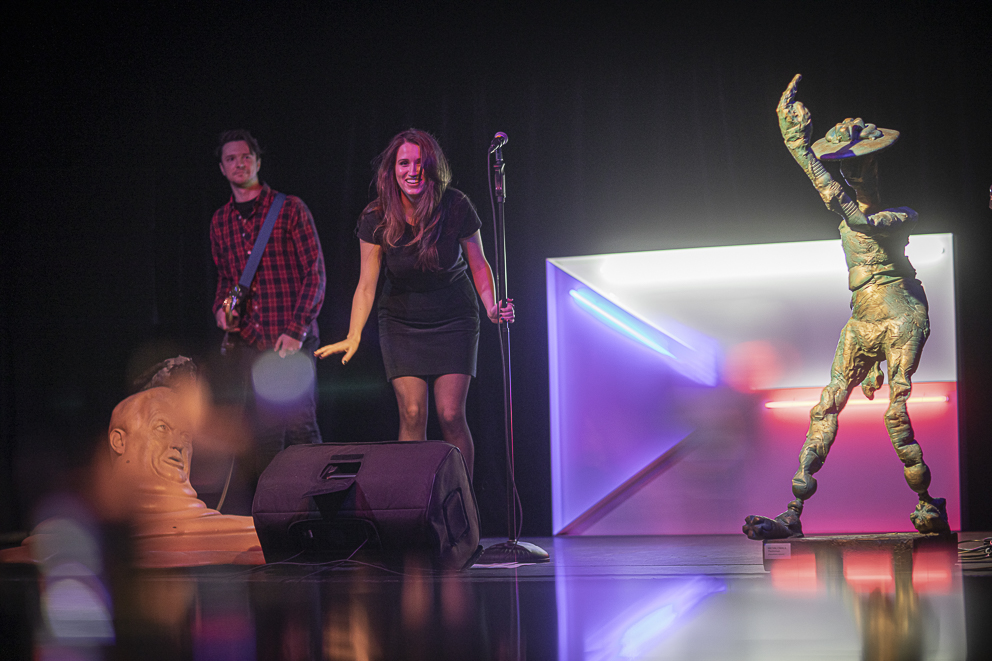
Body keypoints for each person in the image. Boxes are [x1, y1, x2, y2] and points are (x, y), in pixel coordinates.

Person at [742, 75, 949, 540]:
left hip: (901, 314)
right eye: (849, 168)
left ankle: (926, 503)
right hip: (863, 319)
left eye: (860, 166)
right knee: (826, 406)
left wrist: (800, 149)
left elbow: (855, 215)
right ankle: (793, 512)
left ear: (875, 166)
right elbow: (846, 209)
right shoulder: (857, 214)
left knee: (896, 411)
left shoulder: (900, 217)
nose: (853, 175)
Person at [316, 129, 512, 479]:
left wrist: (491, 306)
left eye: (420, 163)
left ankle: (461, 500)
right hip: (401, 320)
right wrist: (354, 334)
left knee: (451, 414)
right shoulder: (376, 216)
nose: (412, 171)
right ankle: (413, 502)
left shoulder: (455, 205)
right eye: (404, 163)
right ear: (392, 170)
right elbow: (366, 285)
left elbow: (479, 264)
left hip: (454, 316)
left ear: (433, 167)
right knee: (411, 412)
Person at [210, 130, 326, 508]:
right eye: (231, 158)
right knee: (264, 436)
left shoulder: (289, 209)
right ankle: (276, 516)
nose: (239, 164)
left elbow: (315, 275)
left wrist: (296, 330)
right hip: (251, 341)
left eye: (246, 156)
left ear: (258, 161)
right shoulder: (220, 221)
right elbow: (229, 279)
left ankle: (321, 514)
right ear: (222, 167)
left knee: (301, 428)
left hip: (290, 339)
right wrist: (224, 309)